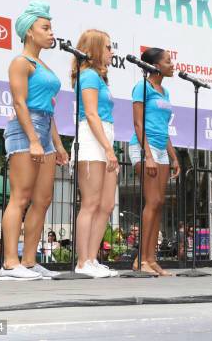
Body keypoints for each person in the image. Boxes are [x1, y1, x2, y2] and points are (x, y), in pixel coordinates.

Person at [0, 1, 68, 281]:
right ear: (29, 31)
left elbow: (48, 109)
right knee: (21, 197)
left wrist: (59, 144)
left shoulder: (43, 64)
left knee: (43, 199)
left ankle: (28, 262)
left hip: (45, 130)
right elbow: (19, 103)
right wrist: (33, 139)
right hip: (25, 130)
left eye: (51, 27)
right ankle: (9, 263)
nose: (51, 33)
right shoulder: (20, 62)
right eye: (45, 27)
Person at [71, 29, 119, 278]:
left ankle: (92, 258)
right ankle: (82, 262)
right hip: (92, 141)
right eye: (108, 47)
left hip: (105, 138)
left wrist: (110, 147)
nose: (112, 52)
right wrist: (108, 149)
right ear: (97, 49)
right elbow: (90, 114)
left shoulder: (100, 79)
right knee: (90, 203)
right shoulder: (88, 75)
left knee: (106, 204)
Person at [128, 48, 180, 276]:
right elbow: (138, 125)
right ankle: (141, 259)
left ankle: (151, 258)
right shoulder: (142, 87)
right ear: (156, 66)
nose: (173, 65)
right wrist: (147, 155)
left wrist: (174, 156)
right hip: (143, 148)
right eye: (168, 61)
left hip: (161, 150)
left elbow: (164, 129)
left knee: (159, 204)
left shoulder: (165, 91)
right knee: (153, 201)